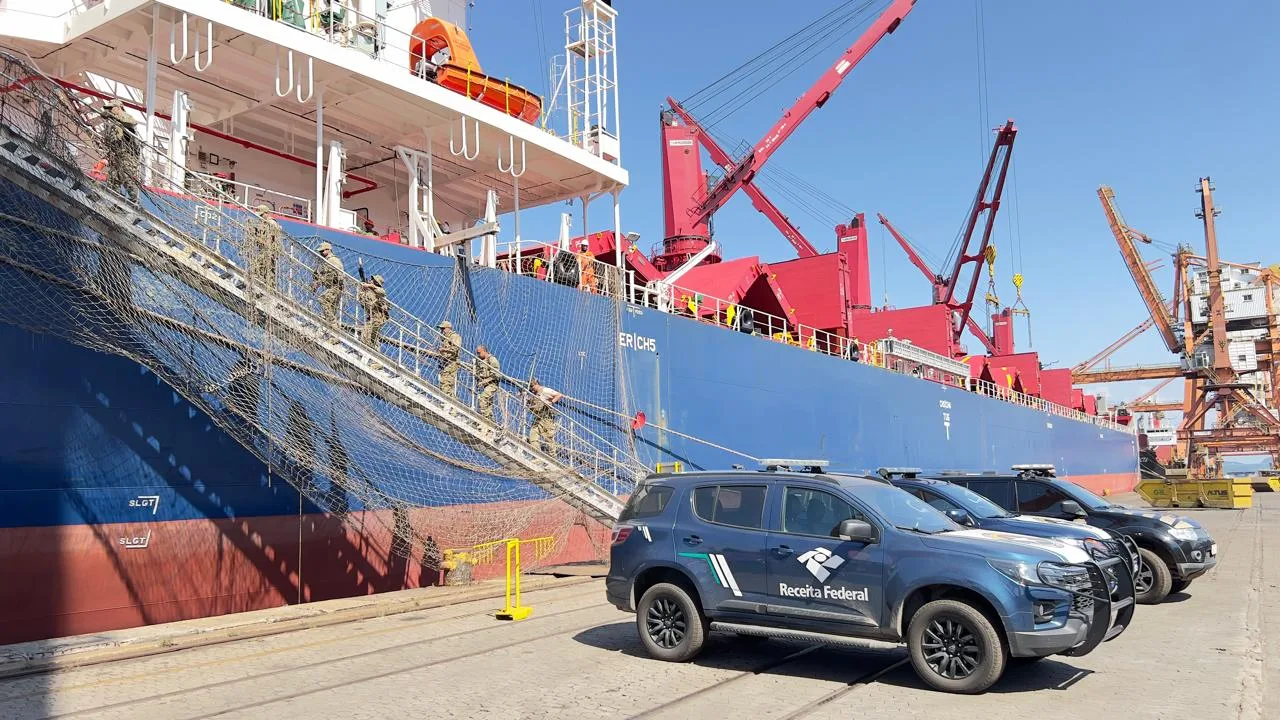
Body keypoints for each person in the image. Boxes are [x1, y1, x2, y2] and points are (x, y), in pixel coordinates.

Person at [98, 99, 141, 202]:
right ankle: (117, 202)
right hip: (117, 155)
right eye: (108, 109)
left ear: (118, 108)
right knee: (112, 179)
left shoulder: (124, 117)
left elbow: (132, 122)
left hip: (128, 155)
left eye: (111, 108)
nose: (109, 111)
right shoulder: (112, 124)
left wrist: (114, 116)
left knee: (125, 177)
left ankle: (135, 201)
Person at [311, 241, 345, 327]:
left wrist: (339, 283)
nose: (321, 253)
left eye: (322, 251)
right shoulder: (326, 261)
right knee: (331, 308)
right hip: (331, 287)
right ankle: (332, 325)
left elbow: (340, 273)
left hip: (336, 287)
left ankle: (333, 323)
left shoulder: (333, 260)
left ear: (328, 250)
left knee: (323, 299)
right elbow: (323, 275)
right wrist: (317, 283)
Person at [247, 204, 282, 289]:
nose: (260, 217)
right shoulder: (264, 223)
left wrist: (255, 236)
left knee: (261, 270)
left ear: (266, 213)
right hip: (264, 252)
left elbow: (269, 242)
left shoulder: (271, 223)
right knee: (263, 272)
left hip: (268, 253)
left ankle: (267, 289)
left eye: (261, 215)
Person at [527, 378, 562, 455]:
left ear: (536, 384)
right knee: (533, 436)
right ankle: (537, 454)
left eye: (532, 387)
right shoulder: (535, 394)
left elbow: (559, 395)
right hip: (538, 418)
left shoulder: (545, 390)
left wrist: (551, 403)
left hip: (546, 419)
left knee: (548, 438)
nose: (531, 389)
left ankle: (552, 455)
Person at [358, 274, 390, 346]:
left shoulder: (379, 291)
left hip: (378, 316)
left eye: (372, 280)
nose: (370, 280)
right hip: (372, 316)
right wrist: (363, 289)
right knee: (371, 335)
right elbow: (363, 302)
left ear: (376, 283)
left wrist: (369, 286)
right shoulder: (368, 292)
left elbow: (382, 292)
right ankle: (373, 346)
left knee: (367, 334)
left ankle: (366, 346)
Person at [474, 345, 502, 420]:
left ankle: (485, 417)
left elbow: (496, 374)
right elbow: (478, 371)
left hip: (492, 384)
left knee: (483, 398)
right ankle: (489, 418)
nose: (478, 355)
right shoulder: (479, 360)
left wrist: (485, 381)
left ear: (484, 351)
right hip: (485, 385)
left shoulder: (492, 359)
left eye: (479, 352)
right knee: (488, 403)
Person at [436, 320, 463, 395]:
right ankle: (447, 396)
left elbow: (455, 349)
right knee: (443, 381)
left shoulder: (454, 336)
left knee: (446, 382)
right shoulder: (445, 339)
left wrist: (444, 350)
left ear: (448, 328)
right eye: (441, 329)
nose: (442, 331)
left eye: (443, 329)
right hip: (446, 362)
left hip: (452, 362)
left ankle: (448, 398)